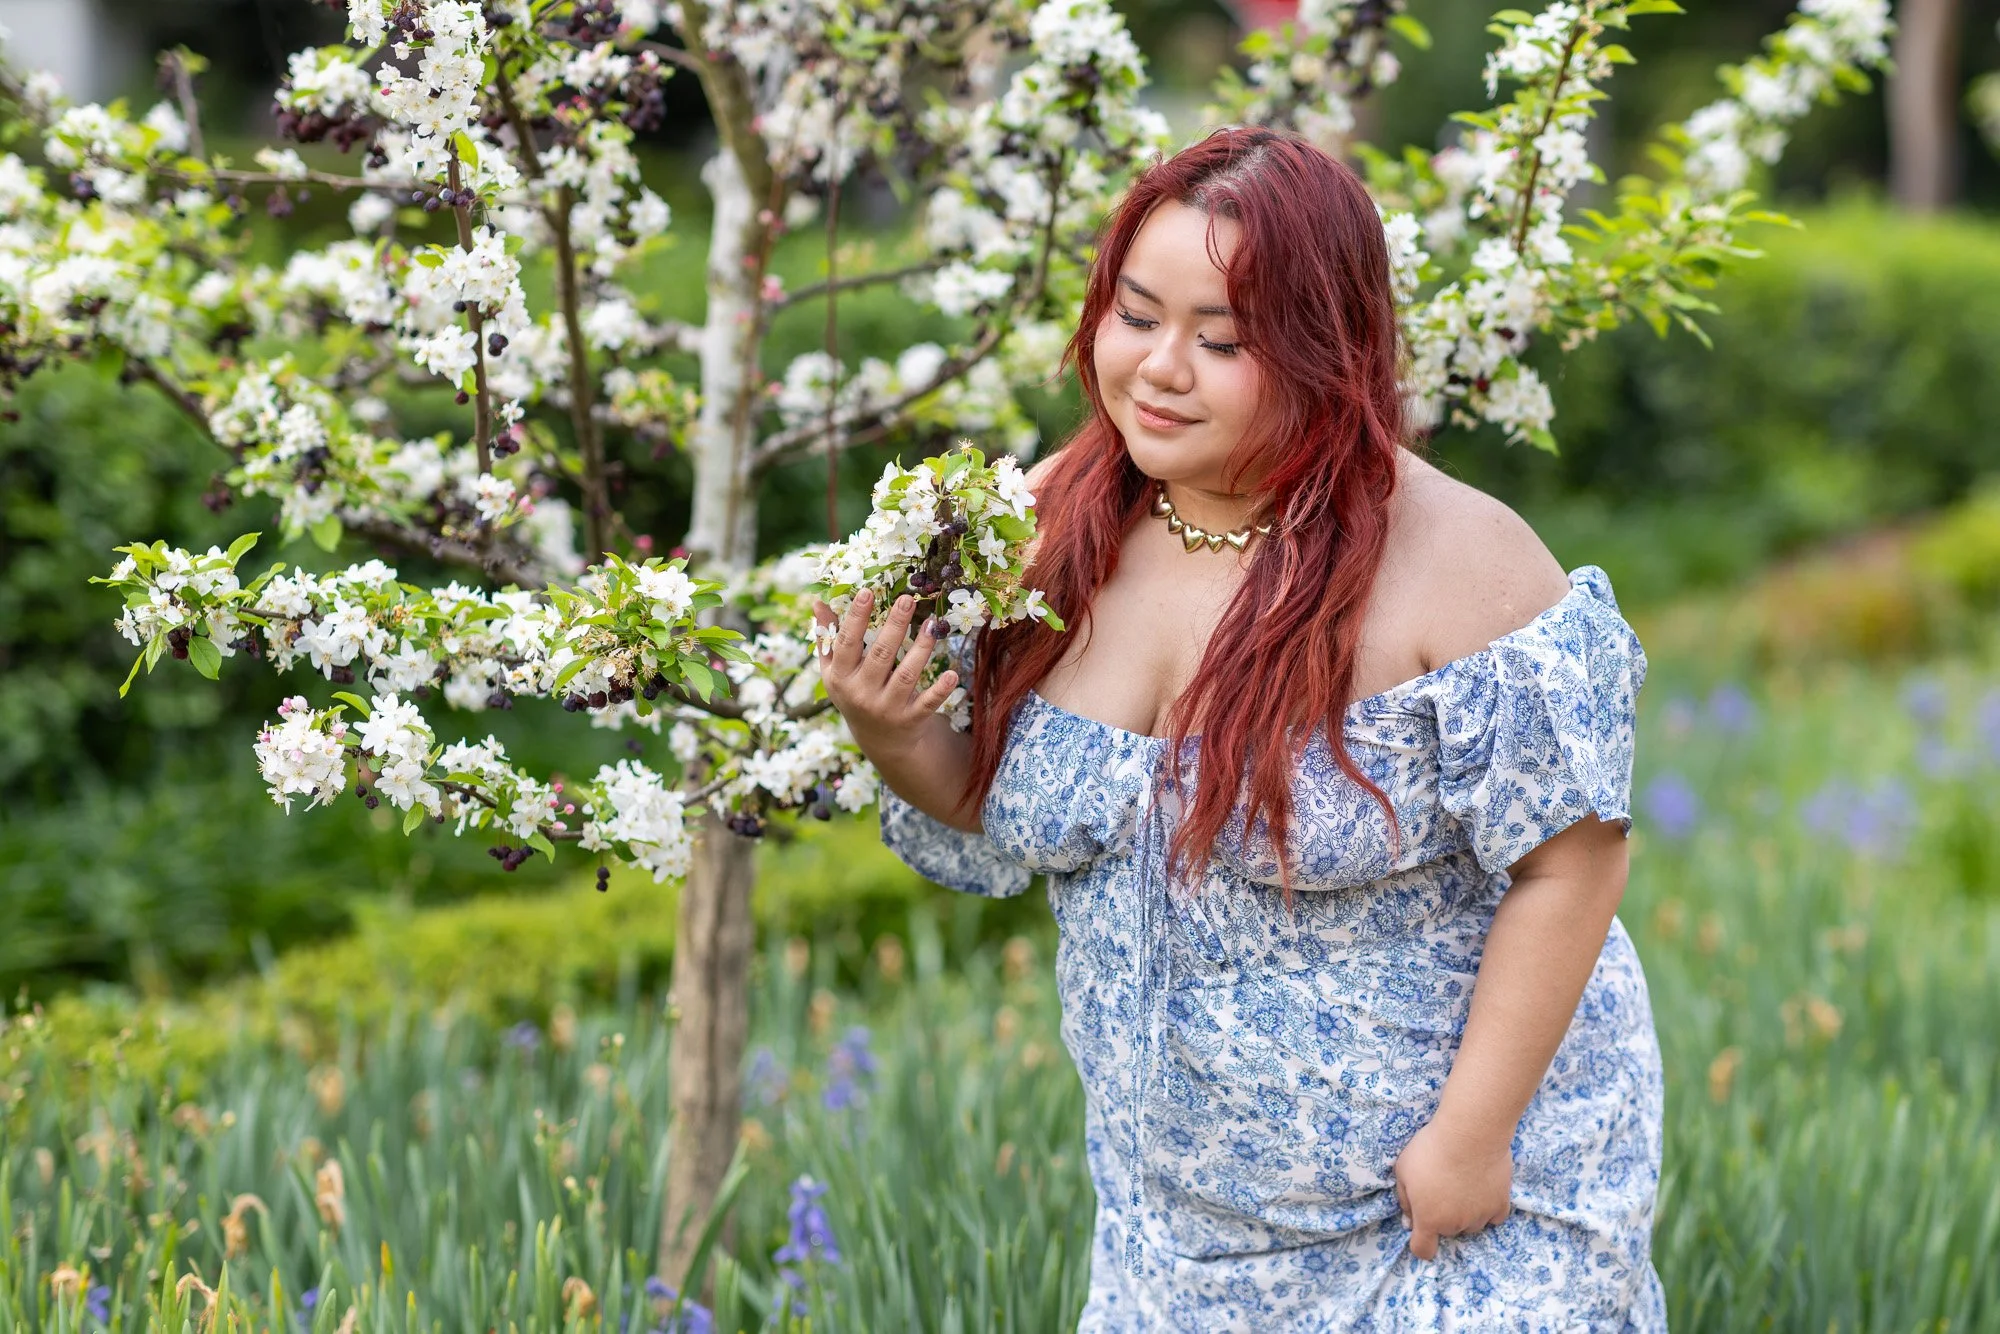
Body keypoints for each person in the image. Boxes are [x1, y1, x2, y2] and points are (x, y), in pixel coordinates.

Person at [812, 126, 1665, 1331]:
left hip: (1451, 1208)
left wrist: (1468, 1140)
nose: (1159, 368)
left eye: (1220, 339)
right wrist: (897, 734)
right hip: (1182, 1230)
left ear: (1329, 351)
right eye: (1134, 314)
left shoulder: (1454, 560)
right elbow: (1012, 820)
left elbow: (1570, 859)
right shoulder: (1056, 521)